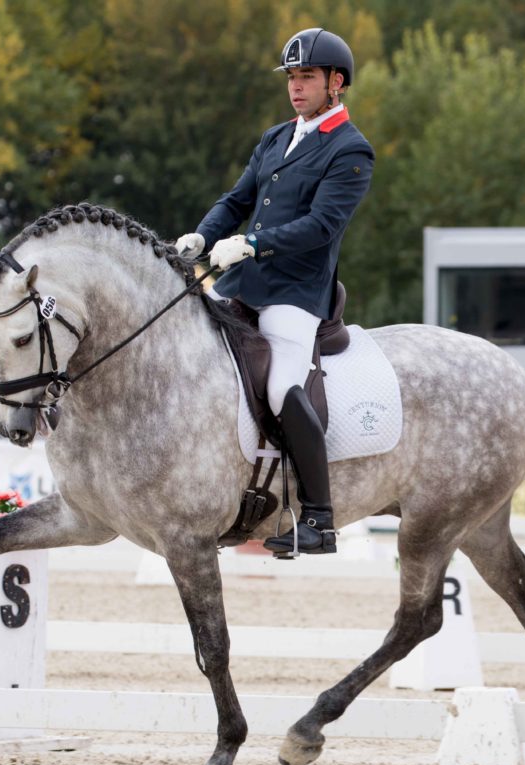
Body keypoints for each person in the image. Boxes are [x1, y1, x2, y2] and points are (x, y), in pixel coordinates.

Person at [175, 28, 374, 556]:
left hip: (296, 292)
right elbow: (236, 198)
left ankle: (320, 517)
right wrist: (204, 234)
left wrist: (252, 244)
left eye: (306, 76)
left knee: (283, 386)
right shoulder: (274, 138)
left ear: (336, 83)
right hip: (243, 282)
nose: (296, 86)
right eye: (291, 77)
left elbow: (322, 226)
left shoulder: (352, 149)